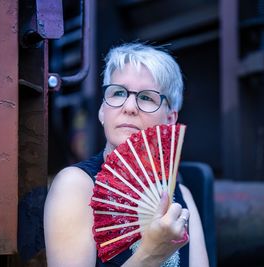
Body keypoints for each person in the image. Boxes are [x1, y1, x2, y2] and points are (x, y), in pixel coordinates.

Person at [44, 42, 209, 267]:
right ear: (103, 110)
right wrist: (151, 253)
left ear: (170, 119)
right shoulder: (76, 185)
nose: (129, 106)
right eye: (118, 93)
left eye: (146, 98)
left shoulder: (182, 196)